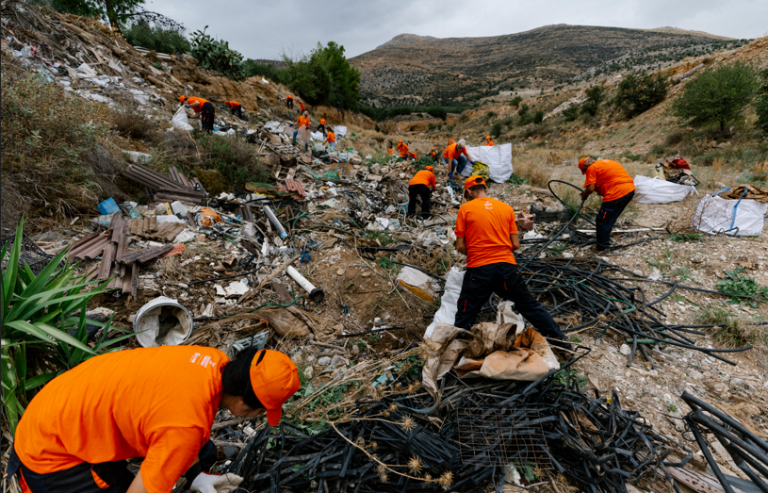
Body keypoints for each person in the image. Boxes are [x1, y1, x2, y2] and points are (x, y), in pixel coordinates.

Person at [8, 346, 300, 493]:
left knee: (201, 448)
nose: (259, 416)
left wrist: (195, 475)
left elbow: (175, 422)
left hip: (56, 410)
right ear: (241, 401)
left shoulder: (210, 360)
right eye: (261, 410)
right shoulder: (184, 425)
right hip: (49, 456)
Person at [453, 175, 571, 349]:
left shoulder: (465, 208)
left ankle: (456, 352)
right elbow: (515, 244)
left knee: (466, 312)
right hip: (506, 268)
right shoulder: (506, 208)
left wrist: (478, 252)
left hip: (479, 270)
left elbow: (460, 245)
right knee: (529, 305)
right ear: (486, 189)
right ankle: (561, 342)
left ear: (469, 192)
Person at [578, 156, 636, 251]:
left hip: (616, 193)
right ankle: (605, 242)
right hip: (629, 190)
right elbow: (611, 178)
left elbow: (591, 188)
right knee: (609, 218)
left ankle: (602, 248)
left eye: (585, 170)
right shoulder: (609, 162)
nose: (586, 172)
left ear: (587, 165)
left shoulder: (592, 167)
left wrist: (584, 195)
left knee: (602, 220)